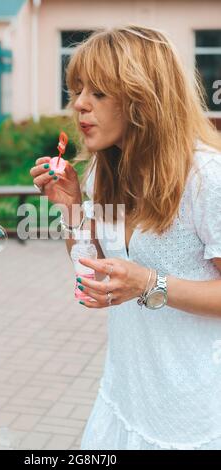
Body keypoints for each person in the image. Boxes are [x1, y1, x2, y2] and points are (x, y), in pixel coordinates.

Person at [29, 25, 221, 450]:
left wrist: (150, 283)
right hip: (126, 395)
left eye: (98, 92)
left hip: (197, 412)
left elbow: (140, 281)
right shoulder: (103, 171)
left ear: (143, 98)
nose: (79, 104)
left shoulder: (207, 178)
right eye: (77, 89)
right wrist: (72, 209)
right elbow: (93, 274)